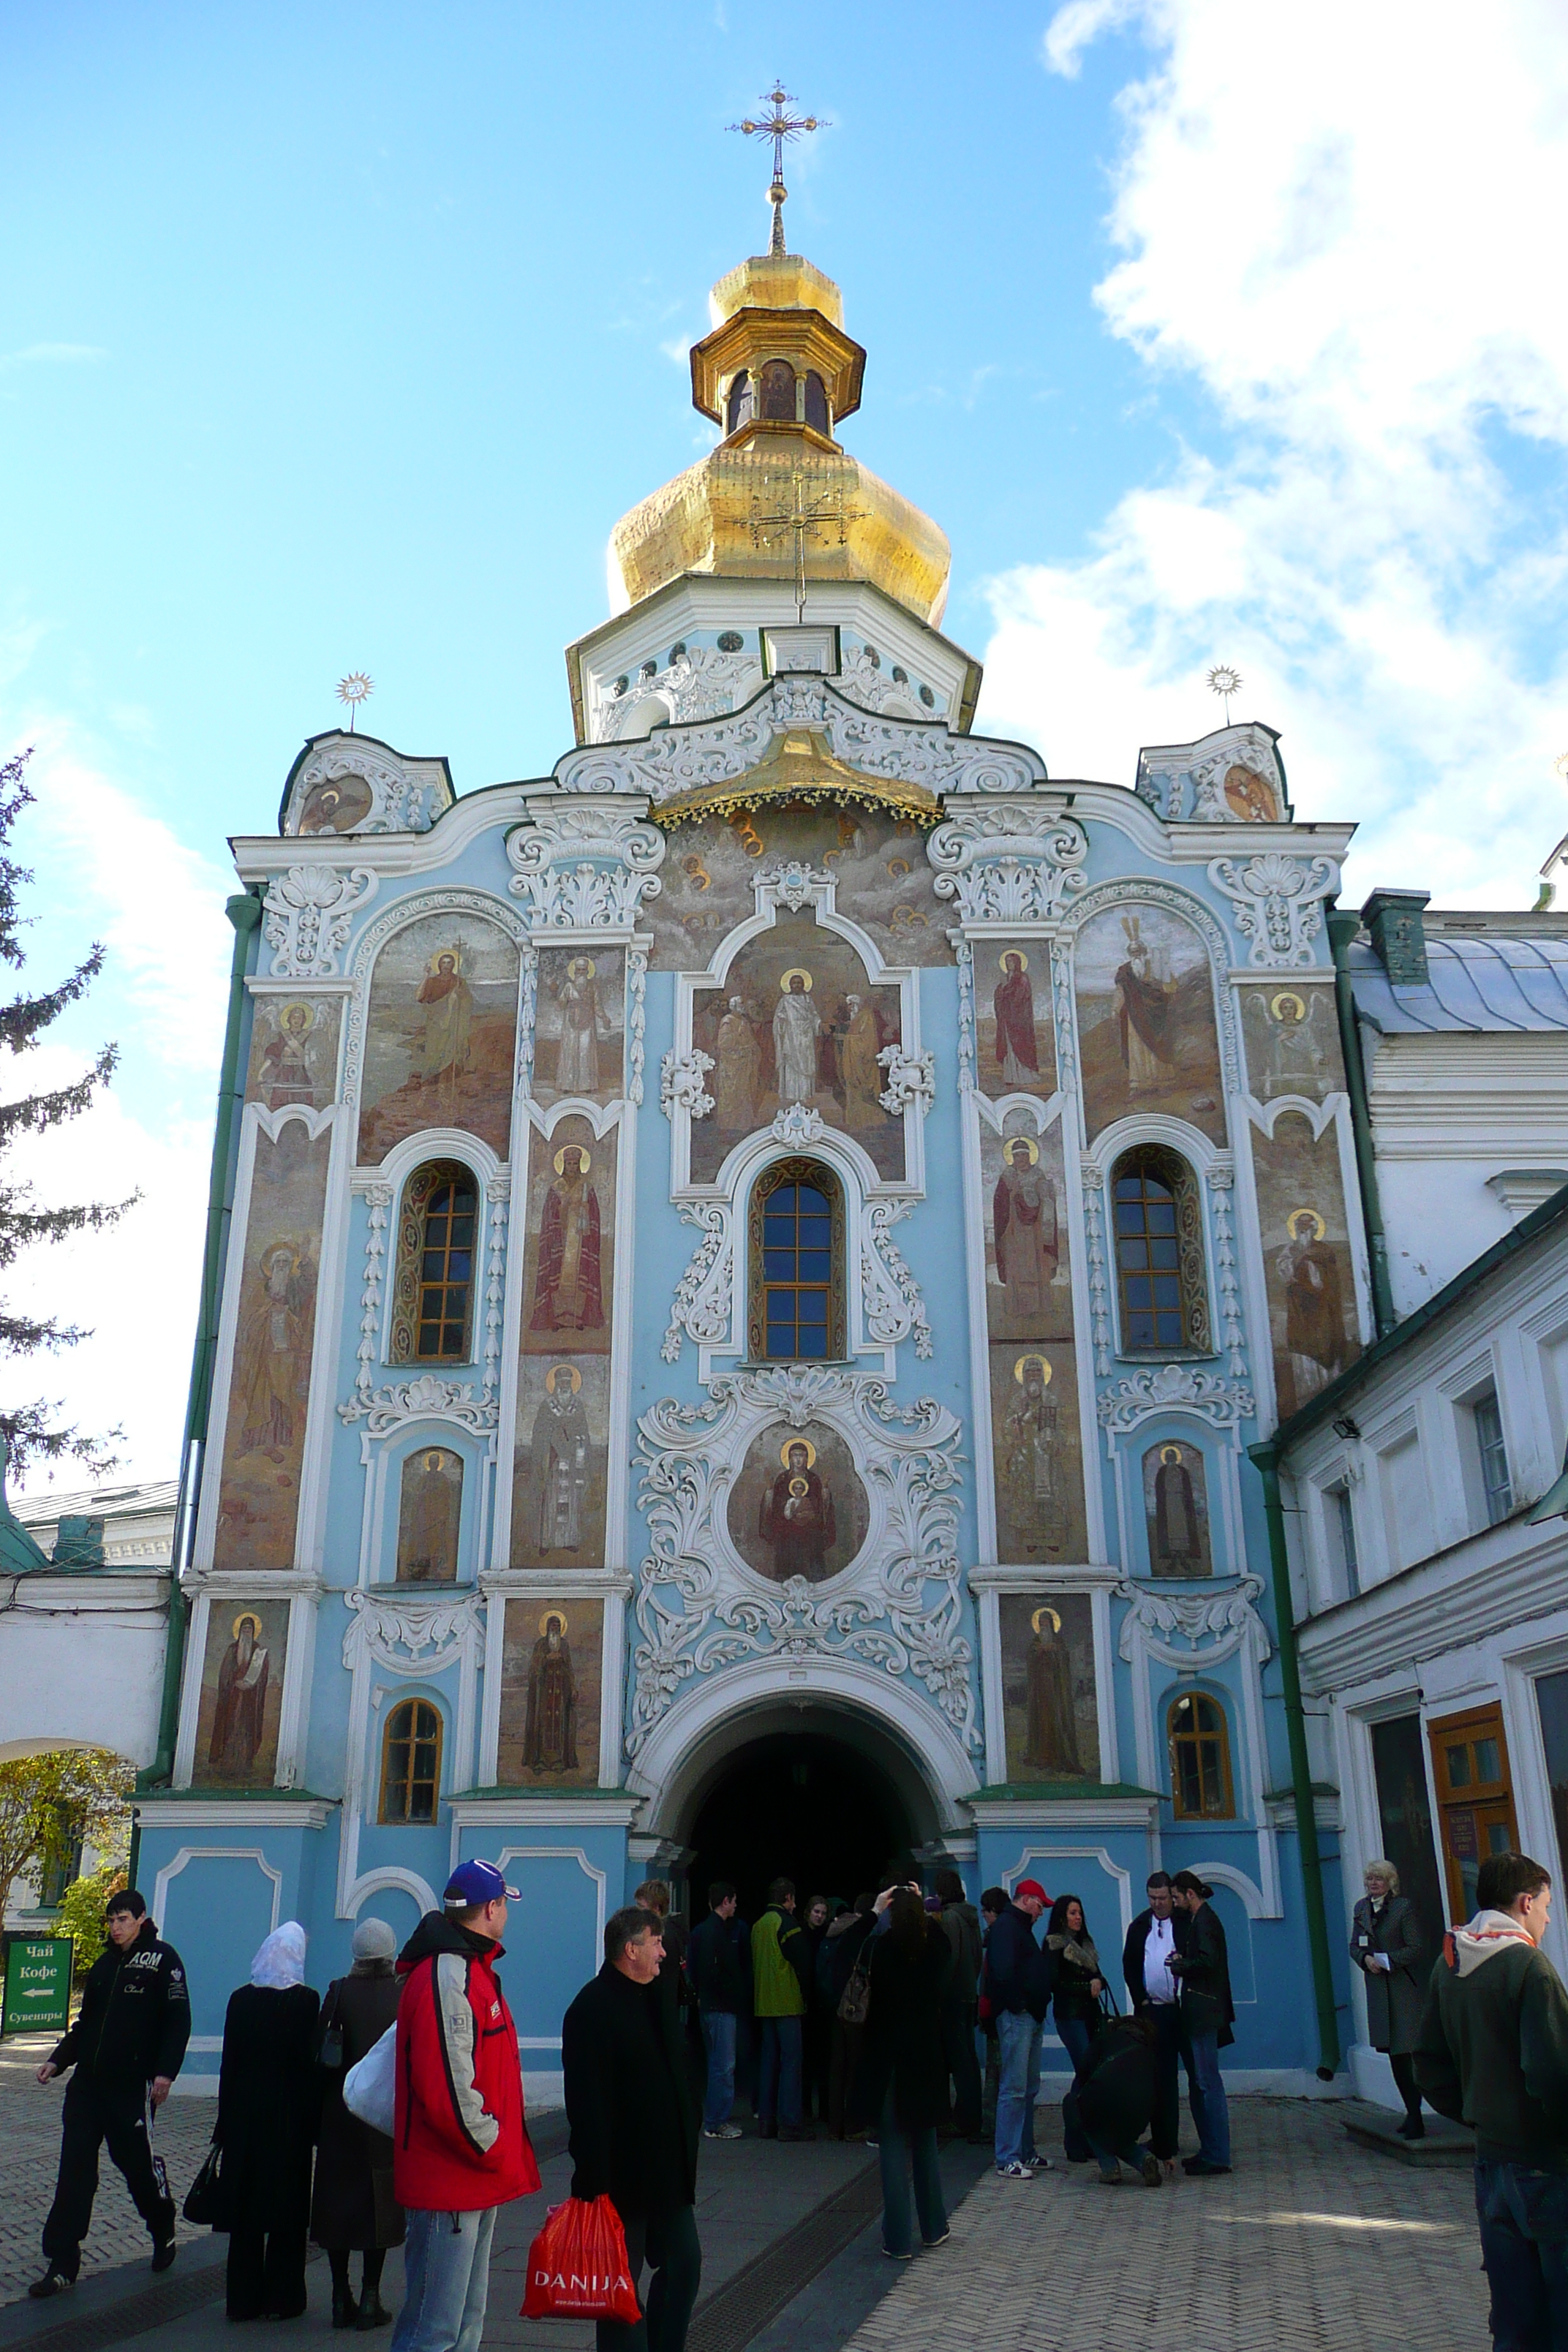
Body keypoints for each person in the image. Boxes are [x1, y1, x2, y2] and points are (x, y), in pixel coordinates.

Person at [1414, 1851, 1568, 2350]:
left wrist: (1477, 2113)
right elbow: (1552, 2073)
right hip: (1545, 2164)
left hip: (1491, 2163)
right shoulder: (1529, 1968)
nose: (1546, 1918)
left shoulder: (1450, 1963)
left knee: (1514, 2315)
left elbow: (1428, 2066)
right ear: (1526, 1902)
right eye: (1545, 1907)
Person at [393, 1861, 540, 2352]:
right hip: (452, 2177)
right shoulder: (447, 1973)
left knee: (465, 2321)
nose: (507, 1914)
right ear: (492, 1908)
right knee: (435, 2330)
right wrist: (493, 2144)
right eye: (505, 1904)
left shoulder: (470, 1967)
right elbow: (448, 2088)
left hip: (471, 2175)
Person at [30, 1886, 189, 2300]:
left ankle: (162, 2225)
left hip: (131, 2089)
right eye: (111, 1920)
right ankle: (62, 2262)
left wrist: (165, 2074)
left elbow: (177, 2021)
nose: (116, 1927)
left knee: (136, 2168)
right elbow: (86, 2026)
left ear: (140, 1918)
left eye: (123, 1919)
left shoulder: (163, 1961)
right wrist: (58, 2060)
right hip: (87, 2088)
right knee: (75, 2173)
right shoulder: (103, 1966)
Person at [562, 1904, 702, 2352]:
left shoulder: (658, 1994)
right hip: (621, 2176)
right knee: (619, 2283)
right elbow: (585, 2104)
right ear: (630, 1950)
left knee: (686, 2264)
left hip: (670, 2169)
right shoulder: (591, 2008)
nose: (664, 1953)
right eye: (656, 1943)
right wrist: (593, 2182)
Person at [215, 1921, 320, 2321]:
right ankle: (284, 2298)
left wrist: (224, 2124)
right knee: (287, 2212)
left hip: (244, 2121)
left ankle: (241, 2301)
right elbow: (309, 2068)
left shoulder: (239, 2000)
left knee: (245, 2214)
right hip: (288, 2124)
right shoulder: (306, 2001)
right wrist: (312, 2125)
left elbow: (229, 2066)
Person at [312, 1918, 404, 2329]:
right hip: (382, 2114)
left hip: (340, 2111)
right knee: (379, 2205)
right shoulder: (399, 1993)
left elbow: (321, 2050)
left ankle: (338, 2294)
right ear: (389, 1952)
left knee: (337, 2203)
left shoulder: (339, 1990)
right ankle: (371, 2296)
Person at [852, 1888, 953, 2259]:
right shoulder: (934, 1951)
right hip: (925, 2059)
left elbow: (851, 1956)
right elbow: (943, 1940)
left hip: (887, 2059)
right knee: (926, 2145)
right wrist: (922, 1901)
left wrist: (874, 1912)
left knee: (892, 2149)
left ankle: (897, 2239)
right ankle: (933, 2227)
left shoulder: (879, 1949)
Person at [1350, 1858, 1429, 2139]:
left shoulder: (1402, 1908)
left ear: (1390, 1883)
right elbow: (1354, 1944)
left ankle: (1417, 2114)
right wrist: (1365, 1958)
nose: (1373, 1884)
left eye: (1379, 1879)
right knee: (1393, 2056)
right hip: (1378, 1991)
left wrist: (1389, 1960)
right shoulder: (1362, 1908)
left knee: (1406, 2054)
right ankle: (1410, 2113)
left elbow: (1416, 1947)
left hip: (1401, 1989)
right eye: (1370, 1878)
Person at [1169, 1870, 1234, 2176]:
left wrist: (1181, 1966)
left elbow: (1209, 1962)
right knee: (1204, 2082)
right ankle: (1210, 2150)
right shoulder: (1203, 1920)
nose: (1174, 1901)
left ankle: (1218, 2154)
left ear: (1190, 1894)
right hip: (1203, 2007)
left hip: (1205, 2009)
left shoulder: (1205, 1921)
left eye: (1176, 1896)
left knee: (1209, 2083)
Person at [987, 1877, 1052, 2179]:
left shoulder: (1017, 1927)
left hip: (1029, 2016)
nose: (1041, 1912)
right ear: (1026, 1900)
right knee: (1014, 2088)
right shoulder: (1008, 1927)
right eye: (1040, 1905)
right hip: (1018, 2017)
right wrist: (1019, 2004)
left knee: (1027, 2088)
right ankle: (1007, 2157)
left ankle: (1024, 2152)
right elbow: (1002, 1972)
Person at [1123, 1870, 1181, 2178]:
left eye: (1162, 1898)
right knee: (1158, 2078)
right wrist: (1141, 2000)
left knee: (1186, 2079)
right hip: (1152, 2010)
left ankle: (1176, 2139)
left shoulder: (1183, 1922)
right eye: (1153, 1898)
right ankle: (1162, 2140)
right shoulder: (1140, 1926)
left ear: (1171, 1895)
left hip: (1180, 2010)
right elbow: (1130, 1964)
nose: (1158, 1904)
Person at [1068, 2013, 1164, 2187]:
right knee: (1119, 2137)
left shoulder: (1106, 2039)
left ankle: (1109, 2166)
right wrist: (1166, 2150)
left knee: (1083, 2115)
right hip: (1139, 2111)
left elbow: (1083, 2072)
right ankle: (1143, 2159)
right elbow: (1162, 2101)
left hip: (1106, 2100)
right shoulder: (1149, 2050)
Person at [1045, 1892, 1105, 2163]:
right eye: (1072, 1913)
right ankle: (1075, 2139)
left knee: (1088, 2075)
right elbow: (1054, 1983)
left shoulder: (1087, 1944)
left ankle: (1083, 2138)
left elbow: (1097, 1975)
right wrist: (1085, 1986)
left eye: (1079, 1912)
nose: (1078, 1917)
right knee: (1085, 2071)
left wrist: (1098, 1981)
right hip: (1070, 2016)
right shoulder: (1055, 1945)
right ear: (1061, 1916)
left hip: (1091, 2015)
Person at [751, 1878, 810, 2140]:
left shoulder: (758, 1926)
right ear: (787, 1898)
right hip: (787, 2002)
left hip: (763, 2004)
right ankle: (790, 2124)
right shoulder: (787, 1924)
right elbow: (802, 1962)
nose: (795, 1905)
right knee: (791, 2065)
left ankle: (766, 2122)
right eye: (793, 1900)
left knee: (768, 2064)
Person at [685, 1882, 745, 2141]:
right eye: (733, 1901)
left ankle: (713, 2117)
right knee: (724, 2065)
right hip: (721, 2006)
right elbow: (716, 1971)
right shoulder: (718, 1933)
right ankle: (716, 2121)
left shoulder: (701, 1931)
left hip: (708, 2005)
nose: (735, 1905)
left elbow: (695, 1971)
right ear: (725, 1902)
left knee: (715, 2062)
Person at [820, 1892, 876, 2138]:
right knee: (856, 2065)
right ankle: (854, 2122)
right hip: (855, 2007)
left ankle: (835, 2124)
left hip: (835, 2004)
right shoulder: (863, 1933)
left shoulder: (833, 1930)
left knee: (837, 2066)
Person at [932, 1870, 983, 2141]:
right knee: (969, 2058)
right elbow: (975, 1958)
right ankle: (971, 2115)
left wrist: (939, 1991)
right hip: (968, 1994)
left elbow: (948, 1958)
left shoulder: (951, 1918)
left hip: (952, 1996)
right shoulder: (971, 1917)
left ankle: (965, 2119)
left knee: (958, 2059)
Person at [977, 1888, 1008, 2138]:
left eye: (985, 1911)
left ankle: (991, 2126)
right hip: (1001, 2011)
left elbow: (991, 1979)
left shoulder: (996, 1937)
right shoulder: (1008, 1933)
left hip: (996, 2012)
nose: (983, 1916)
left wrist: (985, 2011)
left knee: (996, 2073)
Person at [801, 1896, 833, 2125]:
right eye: (816, 1912)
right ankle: (804, 2108)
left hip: (821, 2004)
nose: (819, 1916)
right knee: (805, 2061)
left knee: (823, 2061)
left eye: (823, 1912)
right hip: (806, 2003)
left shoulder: (827, 1936)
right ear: (808, 1912)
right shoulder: (801, 1935)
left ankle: (824, 2110)